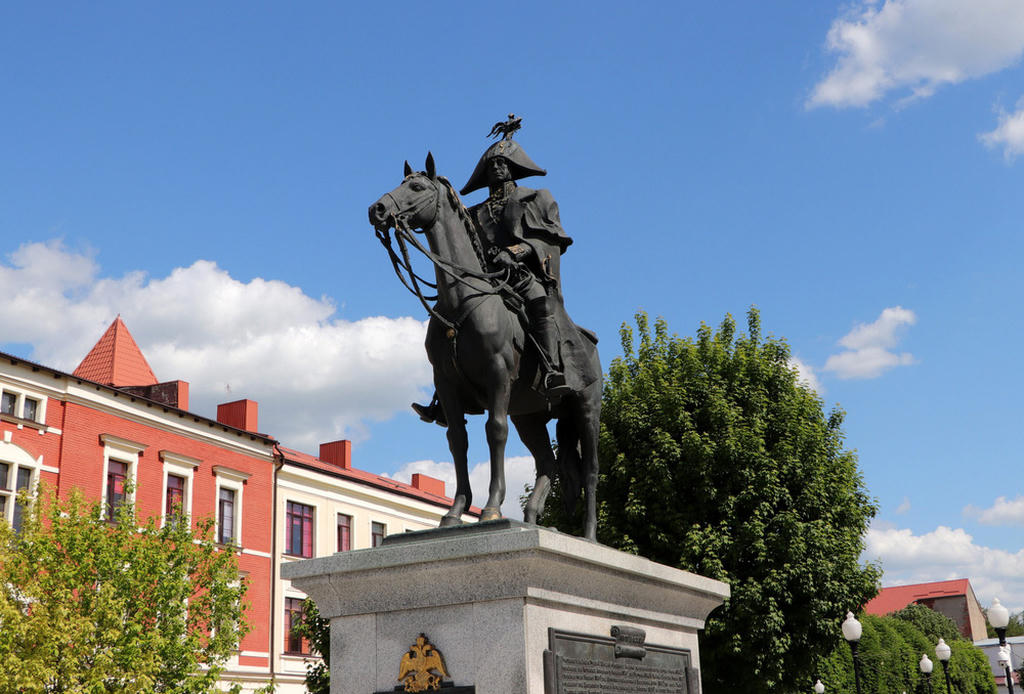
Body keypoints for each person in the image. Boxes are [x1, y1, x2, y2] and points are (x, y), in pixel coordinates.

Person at [412, 133, 575, 426]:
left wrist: (516, 252)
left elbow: (550, 238)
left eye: (503, 163)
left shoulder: (536, 198)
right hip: (484, 281)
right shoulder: (474, 212)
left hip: (520, 276)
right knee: (448, 316)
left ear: (515, 166)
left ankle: (551, 369)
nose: (497, 168)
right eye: (491, 165)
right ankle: (442, 396)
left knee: (539, 301)